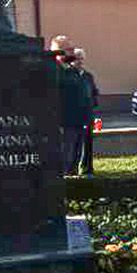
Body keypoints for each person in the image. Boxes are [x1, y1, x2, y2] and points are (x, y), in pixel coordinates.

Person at [53, 36, 93, 176]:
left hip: (78, 121)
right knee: (65, 156)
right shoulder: (54, 71)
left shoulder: (71, 71)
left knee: (75, 156)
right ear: (59, 51)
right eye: (69, 49)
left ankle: (73, 177)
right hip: (64, 122)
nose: (72, 52)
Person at [73, 48, 100, 176]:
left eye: (81, 59)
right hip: (74, 115)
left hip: (87, 114)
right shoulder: (70, 76)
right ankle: (72, 169)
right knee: (75, 144)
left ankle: (87, 169)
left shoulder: (88, 76)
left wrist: (93, 103)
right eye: (77, 59)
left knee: (88, 143)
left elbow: (94, 92)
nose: (79, 61)